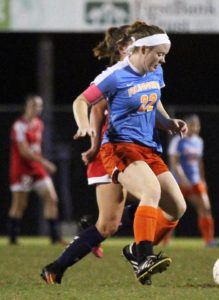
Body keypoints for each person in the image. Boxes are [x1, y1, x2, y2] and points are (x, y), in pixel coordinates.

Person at [41, 21, 187, 286]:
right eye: (160, 53)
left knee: (176, 207)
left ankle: (62, 266)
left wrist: (168, 122)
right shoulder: (115, 75)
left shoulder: (155, 72)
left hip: (148, 148)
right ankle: (144, 257)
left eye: (166, 54)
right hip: (119, 147)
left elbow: (154, 103)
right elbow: (82, 101)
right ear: (142, 49)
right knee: (149, 192)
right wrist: (84, 126)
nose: (163, 59)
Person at [7, 94, 63, 245]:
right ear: (27, 106)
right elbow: (24, 151)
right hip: (22, 170)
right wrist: (45, 163)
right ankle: (12, 238)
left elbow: (35, 149)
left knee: (52, 199)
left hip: (36, 169)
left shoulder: (39, 123)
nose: (36, 108)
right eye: (33, 105)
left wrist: (41, 164)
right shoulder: (19, 125)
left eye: (39, 106)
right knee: (20, 204)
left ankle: (54, 237)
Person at [168, 114, 219, 247]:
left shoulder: (199, 141)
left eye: (197, 125)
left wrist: (202, 180)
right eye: (192, 125)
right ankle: (162, 240)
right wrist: (183, 179)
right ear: (186, 125)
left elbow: (199, 163)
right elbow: (174, 163)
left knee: (205, 207)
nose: (195, 128)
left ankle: (209, 240)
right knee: (171, 212)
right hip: (179, 182)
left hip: (195, 181)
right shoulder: (178, 140)